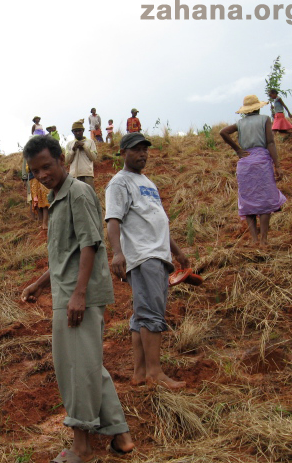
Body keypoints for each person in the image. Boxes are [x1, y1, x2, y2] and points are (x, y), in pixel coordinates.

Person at [21, 135, 135, 462]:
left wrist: (79, 295)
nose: (42, 175)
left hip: (76, 297)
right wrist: (40, 284)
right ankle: (121, 437)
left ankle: (82, 449)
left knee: (74, 370)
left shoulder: (78, 192)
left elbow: (90, 245)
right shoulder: (57, 197)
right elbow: (66, 254)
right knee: (88, 366)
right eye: (35, 171)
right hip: (67, 292)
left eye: (46, 166)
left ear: (61, 159)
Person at [106, 132, 190, 390]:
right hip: (143, 256)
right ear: (123, 153)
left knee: (142, 314)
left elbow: (158, 219)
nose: (142, 154)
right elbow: (113, 220)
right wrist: (117, 253)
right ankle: (155, 372)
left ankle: (141, 372)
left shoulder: (147, 182)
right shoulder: (119, 183)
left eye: (145, 149)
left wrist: (176, 251)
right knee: (152, 312)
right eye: (136, 149)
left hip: (158, 253)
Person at [219, 95, 286, 246]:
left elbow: (223, 132)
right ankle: (263, 241)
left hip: (245, 163)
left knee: (248, 202)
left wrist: (237, 149)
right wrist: (278, 165)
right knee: (265, 200)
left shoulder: (240, 123)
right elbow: (270, 142)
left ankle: (254, 240)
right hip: (261, 162)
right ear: (258, 107)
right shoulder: (264, 119)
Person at [65, 120, 97, 188]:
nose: (78, 133)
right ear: (72, 132)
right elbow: (67, 161)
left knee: (89, 196)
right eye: (75, 131)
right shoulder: (69, 144)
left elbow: (94, 157)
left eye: (80, 130)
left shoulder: (90, 142)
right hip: (74, 176)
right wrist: (73, 149)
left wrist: (84, 146)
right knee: (75, 197)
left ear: (83, 131)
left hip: (87, 175)